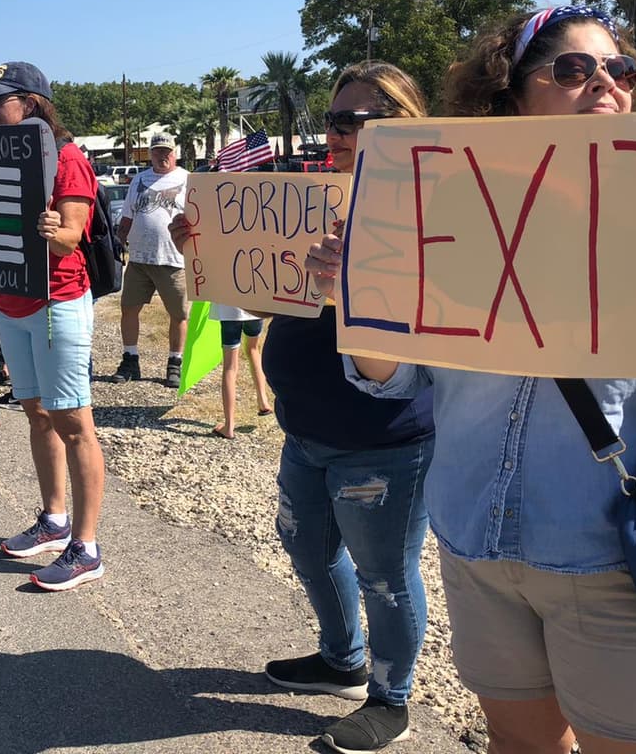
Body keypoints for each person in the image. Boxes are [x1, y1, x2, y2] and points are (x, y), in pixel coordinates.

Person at [307, 8, 636, 754]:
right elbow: (390, 384)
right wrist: (361, 307)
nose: (606, 83)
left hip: (616, 561)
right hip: (477, 548)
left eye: (620, 71)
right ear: (510, 94)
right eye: (573, 69)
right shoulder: (435, 208)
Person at [171, 60, 437, 753]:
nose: (339, 131)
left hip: (384, 436)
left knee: (386, 575)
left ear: (406, 127)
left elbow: (421, 336)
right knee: (307, 547)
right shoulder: (312, 196)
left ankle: (392, 699)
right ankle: (341, 659)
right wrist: (208, 255)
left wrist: (352, 286)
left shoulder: (428, 216)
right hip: (307, 427)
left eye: (357, 120)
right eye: (334, 118)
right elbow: (270, 300)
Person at [0, 61, 106, 591]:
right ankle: (54, 519)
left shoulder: (67, 159)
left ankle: (86, 548)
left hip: (57, 302)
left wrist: (52, 228)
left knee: (73, 422)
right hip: (11, 303)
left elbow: (70, 237)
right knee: (37, 415)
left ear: (33, 104)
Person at [111, 132, 189, 388]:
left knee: (178, 314)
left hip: (173, 258)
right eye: (157, 151)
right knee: (129, 308)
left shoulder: (187, 180)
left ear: (174, 153)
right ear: (150, 153)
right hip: (140, 259)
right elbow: (128, 215)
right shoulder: (139, 180)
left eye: (166, 151)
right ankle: (130, 359)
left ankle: (175, 363)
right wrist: (119, 242)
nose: (161, 156)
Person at [208, 304, 273, 438]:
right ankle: (263, 401)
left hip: (229, 310)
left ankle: (229, 425)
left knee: (230, 367)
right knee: (253, 349)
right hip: (255, 306)